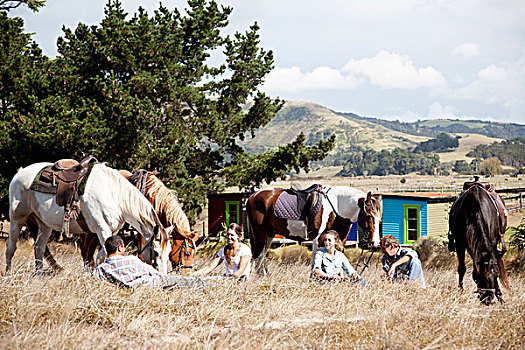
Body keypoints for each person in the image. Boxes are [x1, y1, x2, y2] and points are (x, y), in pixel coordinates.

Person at [93, 235, 208, 289]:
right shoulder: (131, 260)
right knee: (192, 282)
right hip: (153, 283)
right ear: (119, 248)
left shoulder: (101, 269)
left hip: (139, 289)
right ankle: (209, 285)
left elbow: (97, 282)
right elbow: (150, 271)